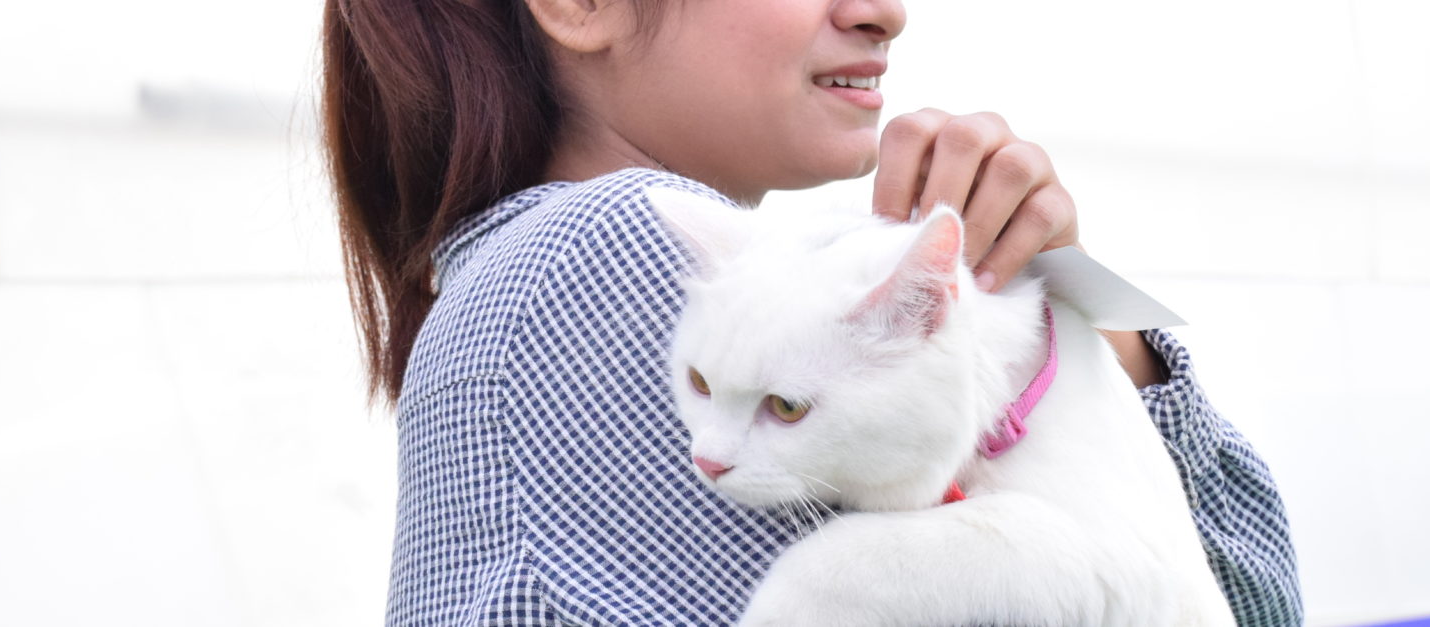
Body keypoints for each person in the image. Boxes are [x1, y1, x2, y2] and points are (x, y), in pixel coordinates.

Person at [320, 0, 1301, 624]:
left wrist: (1077, 328)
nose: (886, 13)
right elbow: (1248, 604)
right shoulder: (611, 250)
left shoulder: (552, 275)